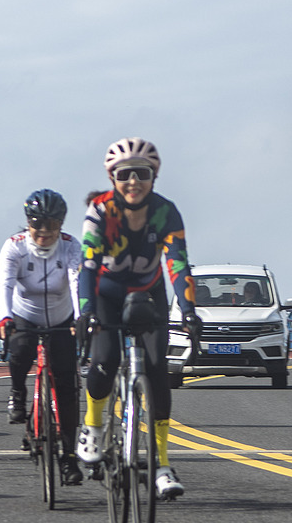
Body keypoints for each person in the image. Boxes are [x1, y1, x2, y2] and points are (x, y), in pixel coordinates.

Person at [76, 139, 204, 501]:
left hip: (149, 294)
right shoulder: (100, 211)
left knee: (156, 368)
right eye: (124, 174)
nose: (133, 181)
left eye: (142, 174)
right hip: (106, 293)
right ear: (112, 178)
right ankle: (93, 426)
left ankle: (162, 463)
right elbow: (87, 264)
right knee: (104, 360)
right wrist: (86, 309)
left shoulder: (166, 212)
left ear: (154, 176)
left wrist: (189, 310)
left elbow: (177, 263)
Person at [0, 189, 86, 483]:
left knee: (67, 388)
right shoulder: (14, 247)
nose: (44, 232)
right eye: (37, 225)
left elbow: (76, 282)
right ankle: (18, 392)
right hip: (25, 314)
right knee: (19, 349)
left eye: (52, 225)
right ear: (28, 222)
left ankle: (69, 457)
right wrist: (5, 317)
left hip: (62, 316)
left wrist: (82, 318)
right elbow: (5, 285)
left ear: (61, 224)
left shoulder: (72, 247)